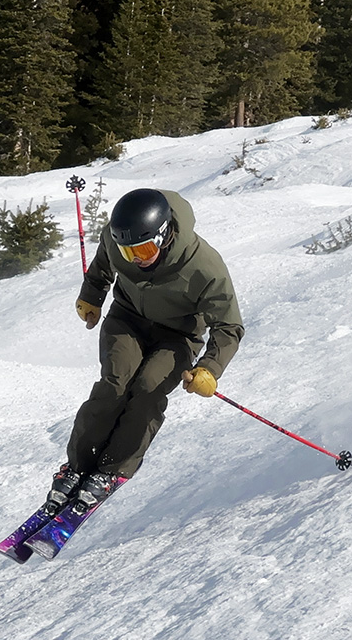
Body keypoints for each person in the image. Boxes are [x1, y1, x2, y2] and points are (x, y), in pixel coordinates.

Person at [44, 188, 244, 515]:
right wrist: (92, 295)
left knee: (148, 389)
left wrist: (210, 367)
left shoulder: (204, 266)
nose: (136, 258)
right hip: (128, 319)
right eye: (128, 251)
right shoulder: (118, 242)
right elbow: (103, 263)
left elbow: (229, 326)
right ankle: (77, 466)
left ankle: (112, 469)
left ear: (164, 235)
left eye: (145, 248)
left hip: (178, 336)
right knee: (114, 385)